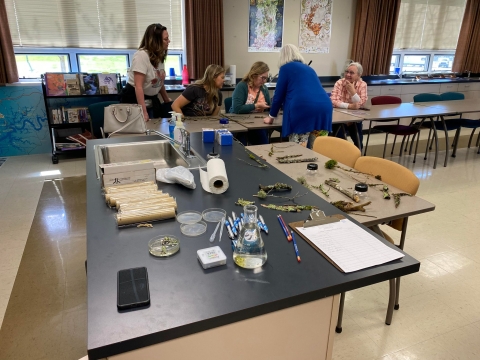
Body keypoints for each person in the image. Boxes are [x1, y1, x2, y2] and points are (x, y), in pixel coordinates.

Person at [264, 44, 332, 147]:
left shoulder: (285, 68)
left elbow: (278, 95)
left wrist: (271, 116)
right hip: (324, 109)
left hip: (303, 110)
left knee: (299, 151)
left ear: (282, 56)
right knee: (318, 151)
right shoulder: (309, 69)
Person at [119, 23, 171, 122]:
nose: (168, 41)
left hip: (152, 100)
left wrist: (166, 100)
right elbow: (138, 86)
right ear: (156, 41)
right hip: (135, 100)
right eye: (165, 39)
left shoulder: (159, 56)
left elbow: (159, 82)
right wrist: (143, 112)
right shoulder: (141, 55)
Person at [231, 61, 271, 145]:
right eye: (262, 78)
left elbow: (269, 107)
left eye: (265, 78)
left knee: (264, 145)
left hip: (257, 124)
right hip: (240, 123)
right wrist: (256, 105)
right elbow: (237, 109)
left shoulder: (264, 89)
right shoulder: (242, 86)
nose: (264, 81)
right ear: (253, 75)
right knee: (241, 146)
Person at [330, 62, 368, 149]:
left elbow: (361, 103)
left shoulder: (363, 84)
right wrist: (349, 106)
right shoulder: (339, 83)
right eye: (347, 72)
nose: (348, 74)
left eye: (351, 73)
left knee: (358, 142)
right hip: (339, 118)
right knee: (342, 143)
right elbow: (333, 101)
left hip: (354, 118)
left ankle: (358, 158)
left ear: (359, 75)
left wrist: (353, 92)